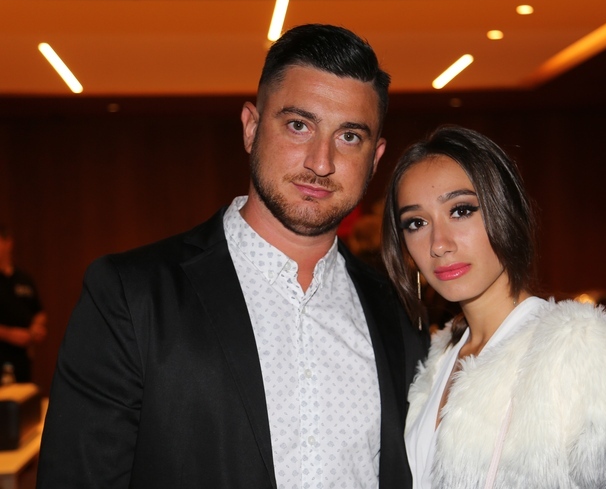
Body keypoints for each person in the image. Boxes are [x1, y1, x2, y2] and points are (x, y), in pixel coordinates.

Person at [37, 24, 427, 489]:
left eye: (349, 137)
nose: (320, 162)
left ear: (375, 157)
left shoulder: (397, 311)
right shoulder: (132, 296)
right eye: (298, 125)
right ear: (251, 128)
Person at [381, 126, 606, 488]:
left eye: (461, 210)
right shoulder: (436, 358)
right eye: (416, 223)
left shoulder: (582, 347)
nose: (438, 244)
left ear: (506, 210)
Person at [0, 224, 47, 383]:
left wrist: (35, 328)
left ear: (8, 243)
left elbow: (39, 312)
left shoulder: (24, 278)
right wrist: (9, 334)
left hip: (22, 359)